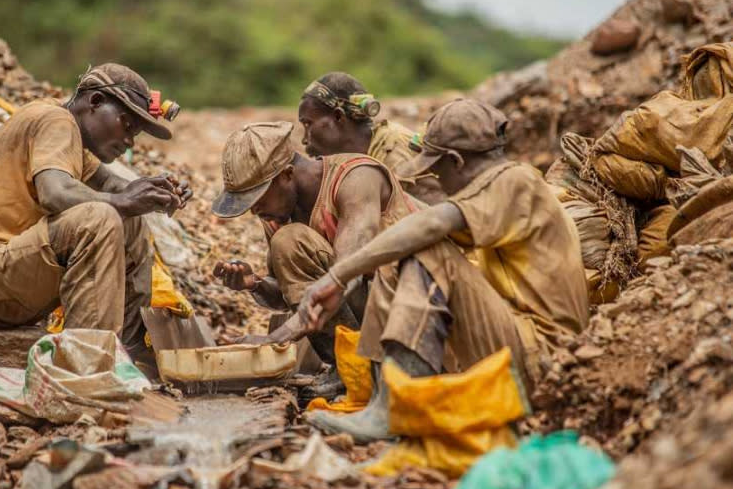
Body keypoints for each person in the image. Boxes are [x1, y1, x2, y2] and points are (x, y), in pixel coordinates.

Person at [298, 98, 590, 442]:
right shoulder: (499, 193)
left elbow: (430, 225)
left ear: (456, 161)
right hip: (517, 341)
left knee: (426, 248)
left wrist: (336, 276)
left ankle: (396, 409)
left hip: (543, 356)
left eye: (438, 170)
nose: (437, 180)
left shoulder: (516, 182)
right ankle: (384, 398)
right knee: (401, 248)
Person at [0, 63, 192, 368]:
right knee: (101, 216)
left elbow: (113, 185)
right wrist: (123, 200)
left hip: (2, 282)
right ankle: (87, 369)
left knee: (130, 216)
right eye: (126, 125)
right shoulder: (56, 119)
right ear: (95, 102)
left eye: (134, 135)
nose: (129, 142)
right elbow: (55, 193)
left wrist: (155, 192)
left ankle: (129, 351)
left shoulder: (71, 141)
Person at [210, 121, 422, 378]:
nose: (254, 211)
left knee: (290, 240)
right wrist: (254, 284)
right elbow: (293, 294)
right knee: (288, 241)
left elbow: (346, 275)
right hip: (371, 317)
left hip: (416, 312)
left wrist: (276, 339)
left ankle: (371, 370)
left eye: (257, 198)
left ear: (287, 175)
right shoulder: (276, 214)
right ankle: (349, 370)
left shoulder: (356, 178)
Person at [298, 72, 446, 204]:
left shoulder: (394, 155)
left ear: (338, 117)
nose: (305, 140)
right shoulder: (361, 157)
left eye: (308, 124)